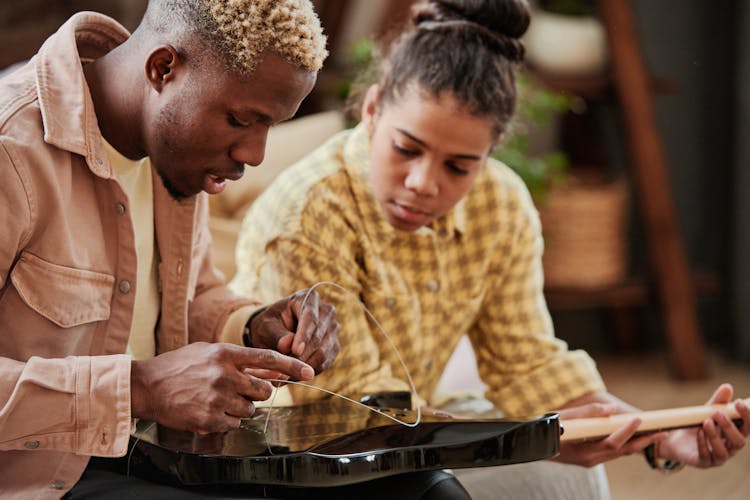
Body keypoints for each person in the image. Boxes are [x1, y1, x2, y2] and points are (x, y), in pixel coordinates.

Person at [231, 0, 750, 498]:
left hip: (415, 433)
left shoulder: (500, 203)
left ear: (488, 155)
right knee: (544, 472)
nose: (422, 183)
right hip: (303, 455)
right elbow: (359, 412)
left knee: (567, 479)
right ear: (371, 110)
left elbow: (527, 363)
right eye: (407, 149)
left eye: (459, 166)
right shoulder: (307, 213)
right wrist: (531, 440)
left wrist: (662, 438)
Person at [0, 0, 347, 498]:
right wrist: (141, 389)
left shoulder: (176, 157)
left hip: (157, 455)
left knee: (421, 488)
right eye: (240, 120)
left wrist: (253, 326)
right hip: (38, 478)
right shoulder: (11, 149)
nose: (255, 154)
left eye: (270, 126)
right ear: (164, 68)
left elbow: (191, 293)